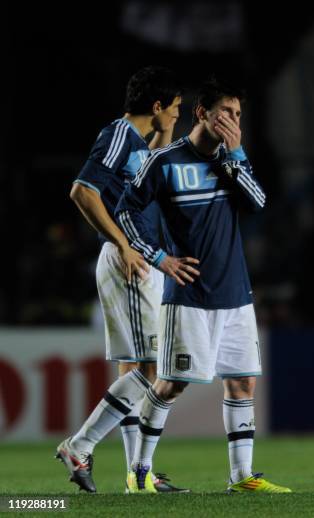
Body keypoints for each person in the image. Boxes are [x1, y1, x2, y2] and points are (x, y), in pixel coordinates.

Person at [115, 77, 291, 494]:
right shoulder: (165, 162)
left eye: (238, 115)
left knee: (243, 382)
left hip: (235, 293)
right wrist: (158, 257)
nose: (233, 121)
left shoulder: (231, 161)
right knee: (172, 383)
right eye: (226, 112)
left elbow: (258, 204)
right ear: (202, 113)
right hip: (189, 296)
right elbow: (125, 212)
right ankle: (139, 473)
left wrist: (238, 156)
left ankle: (242, 476)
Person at [57, 66, 187, 493]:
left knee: (138, 367)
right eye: (176, 108)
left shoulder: (135, 143)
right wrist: (124, 243)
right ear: (157, 106)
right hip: (125, 259)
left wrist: (164, 138)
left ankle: (138, 474)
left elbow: (148, 165)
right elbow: (82, 191)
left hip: (135, 259)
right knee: (152, 369)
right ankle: (80, 446)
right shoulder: (117, 135)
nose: (178, 115)